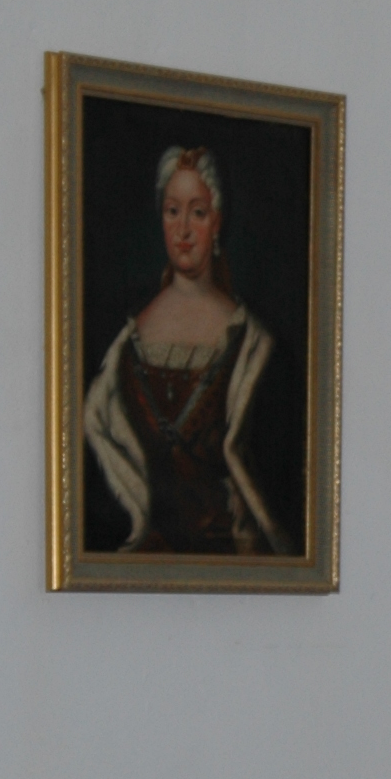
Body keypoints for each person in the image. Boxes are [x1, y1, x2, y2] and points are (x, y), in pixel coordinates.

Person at [84, 146, 288, 554]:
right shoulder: (129, 339)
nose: (183, 230)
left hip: (229, 559)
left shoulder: (251, 341)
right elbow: (97, 427)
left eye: (197, 212)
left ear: (217, 221)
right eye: (172, 211)